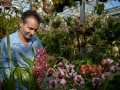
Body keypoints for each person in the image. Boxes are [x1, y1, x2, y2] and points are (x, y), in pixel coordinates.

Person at [0, 10, 43, 89]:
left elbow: (41, 61)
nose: (33, 33)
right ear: (21, 23)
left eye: (35, 30)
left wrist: (40, 74)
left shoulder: (36, 41)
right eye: (30, 28)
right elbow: (2, 67)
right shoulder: (7, 42)